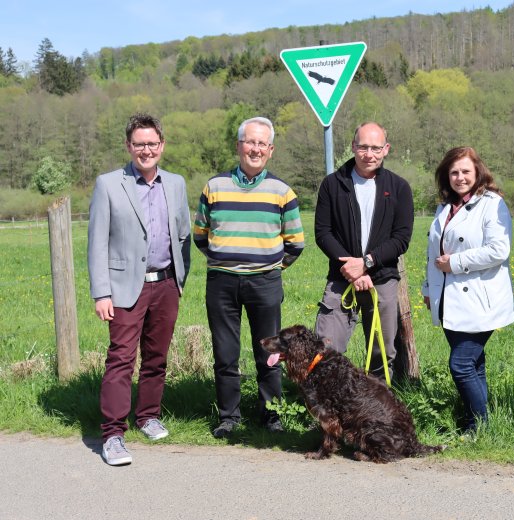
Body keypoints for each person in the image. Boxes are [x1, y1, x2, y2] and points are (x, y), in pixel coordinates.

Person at [88, 113, 191, 466]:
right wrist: (102, 293)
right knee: (120, 360)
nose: (146, 150)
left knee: (156, 358)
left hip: (165, 285)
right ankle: (113, 433)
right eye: (139, 144)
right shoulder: (108, 184)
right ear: (128, 146)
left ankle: (147, 416)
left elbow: (183, 235)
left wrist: (179, 280)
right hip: (123, 288)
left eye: (152, 143)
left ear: (161, 145)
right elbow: (97, 242)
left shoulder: (176, 184)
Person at [194, 116, 304, 438]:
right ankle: (229, 417)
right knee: (225, 352)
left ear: (270, 150)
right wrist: (225, 260)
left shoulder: (282, 192)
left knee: (269, 353)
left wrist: (269, 269)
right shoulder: (214, 187)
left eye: (261, 144)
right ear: (238, 145)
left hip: (265, 283)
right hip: (221, 283)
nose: (255, 149)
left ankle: (272, 415)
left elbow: (295, 243)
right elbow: (201, 235)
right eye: (249, 142)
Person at [421, 147, 514, 433]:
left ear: (478, 173)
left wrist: (457, 262)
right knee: (474, 364)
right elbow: (432, 253)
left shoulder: (492, 204)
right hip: (448, 299)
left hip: (479, 298)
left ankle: (480, 425)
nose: (460, 177)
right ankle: (478, 421)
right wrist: (428, 288)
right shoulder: (445, 206)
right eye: (454, 172)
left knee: (461, 364)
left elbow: (500, 250)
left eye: (465, 171)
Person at [314, 122, 414, 382]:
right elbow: (323, 233)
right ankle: (329, 413)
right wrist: (352, 269)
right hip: (341, 277)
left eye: (376, 148)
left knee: (382, 352)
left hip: (381, 277)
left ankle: (376, 412)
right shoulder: (333, 184)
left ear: (386, 149)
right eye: (363, 147)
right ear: (353, 147)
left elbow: (401, 238)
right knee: (326, 348)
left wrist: (367, 263)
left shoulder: (399, 187)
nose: (369, 154)